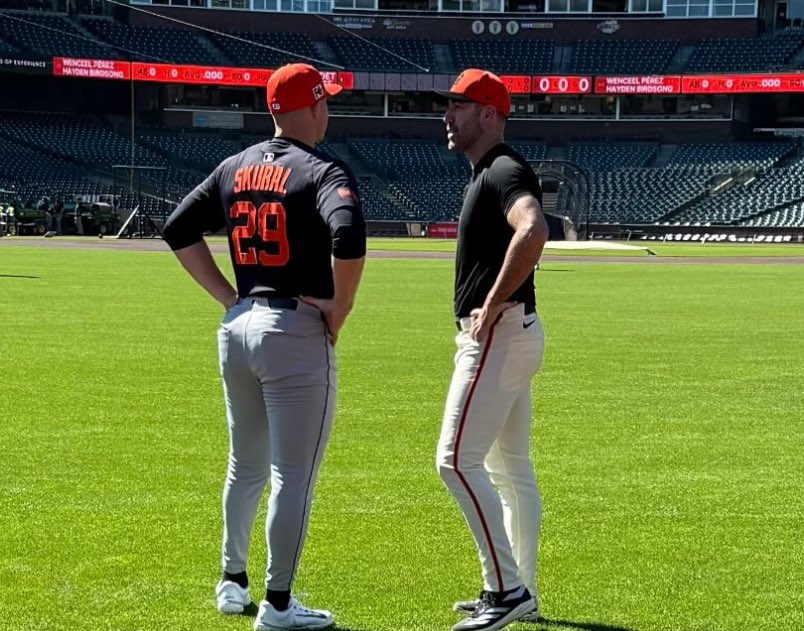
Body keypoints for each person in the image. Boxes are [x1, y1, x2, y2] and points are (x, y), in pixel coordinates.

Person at [162, 63, 366, 631]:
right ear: (314, 107)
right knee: (291, 476)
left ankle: (232, 581)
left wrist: (230, 297)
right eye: (325, 101)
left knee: (243, 466)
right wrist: (340, 307)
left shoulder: (235, 165)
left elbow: (177, 226)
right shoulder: (324, 169)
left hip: (239, 327)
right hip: (294, 331)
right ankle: (278, 605)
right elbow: (348, 235)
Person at [433, 69, 549, 631]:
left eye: (460, 105)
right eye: (449, 105)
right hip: (517, 334)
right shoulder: (488, 172)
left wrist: (490, 302)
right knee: (512, 473)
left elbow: (533, 230)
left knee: (454, 461)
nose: (447, 115)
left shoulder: (502, 168)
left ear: (489, 113)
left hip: (498, 335)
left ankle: (506, 590)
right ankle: (514, 583)